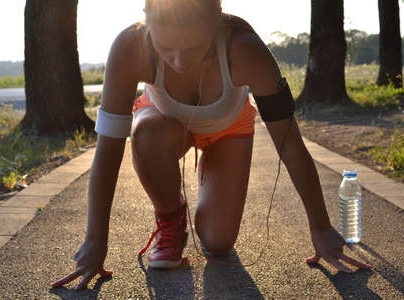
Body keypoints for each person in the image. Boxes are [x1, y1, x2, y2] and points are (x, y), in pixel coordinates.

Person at [51, 0, 370, 290]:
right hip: (165, 125)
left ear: (216, 22)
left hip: (228, 129)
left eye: (194, 46)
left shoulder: (246, 51)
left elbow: (290, 145)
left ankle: (212, 169)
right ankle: (171, 217)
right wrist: (96, 240)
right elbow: (108, 150)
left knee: (218, 242)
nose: (179, 61)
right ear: (148, 23)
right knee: (146, 133)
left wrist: (321, 228)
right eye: (165, 46)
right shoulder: (129, 47)